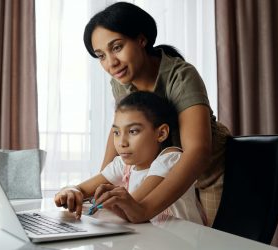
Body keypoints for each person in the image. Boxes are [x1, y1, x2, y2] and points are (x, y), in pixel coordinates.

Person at [82, 2, 230, 226]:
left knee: (210, 240)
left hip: (207, 172)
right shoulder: (120, 82)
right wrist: (103, 185)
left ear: (141, 40)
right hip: (163, 170)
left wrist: (144, 209)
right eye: (101, 55)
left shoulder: (181, 76)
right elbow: (119, 130)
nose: (111, 63)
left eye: (117, 47)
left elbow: (197, 151)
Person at [54, 91, 204, 225]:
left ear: (161, 133)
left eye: (133, 131)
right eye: (117, 132)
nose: (122, 143)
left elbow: (133, 208)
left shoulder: (171, 159)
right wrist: (70, 191)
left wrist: (103, 200)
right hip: (148, 238)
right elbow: (81, 188)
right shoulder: (123, 165)